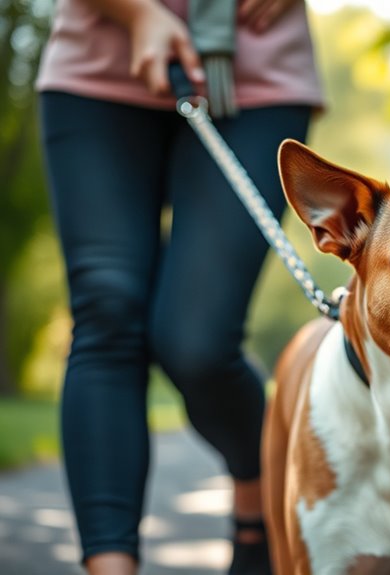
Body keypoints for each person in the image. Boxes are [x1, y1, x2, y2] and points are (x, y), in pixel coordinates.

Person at [35, 0, 323, 573]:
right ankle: (109, 565)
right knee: (107, 310)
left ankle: (254, 487)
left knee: (197, 341)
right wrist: (136, 12)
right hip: (95, 67)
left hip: (259, 76)